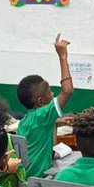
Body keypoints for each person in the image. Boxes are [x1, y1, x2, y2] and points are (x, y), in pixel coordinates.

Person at [16, 35, 74, 177]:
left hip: (25, 178)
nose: (53, 94)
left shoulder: (25, 121)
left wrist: (54, 122)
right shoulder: (43, 116)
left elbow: (43, 138)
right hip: (39, 181)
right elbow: (67, 91)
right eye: (49, 92)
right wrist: (63, 57)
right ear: (41, 101)